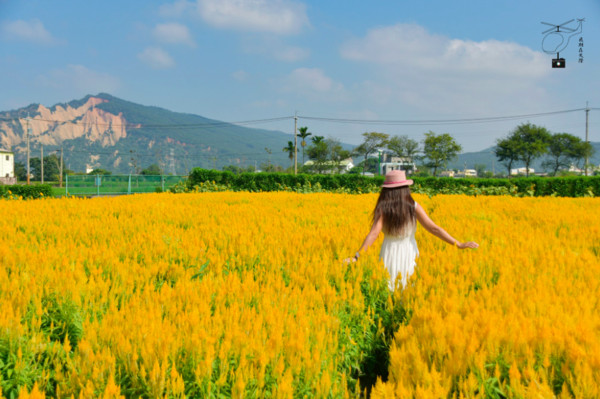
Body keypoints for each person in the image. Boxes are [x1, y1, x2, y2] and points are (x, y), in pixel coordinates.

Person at [345, 170, 479, 290]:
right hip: (409, 252)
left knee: (389, 287)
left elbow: (374, 233)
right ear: (405, 188)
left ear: (386, 190)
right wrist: (459, 244)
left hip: (389, 252)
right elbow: (434, 228)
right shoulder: (413, 206)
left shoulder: (383, 208)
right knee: (408, 288)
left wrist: (357, 256)